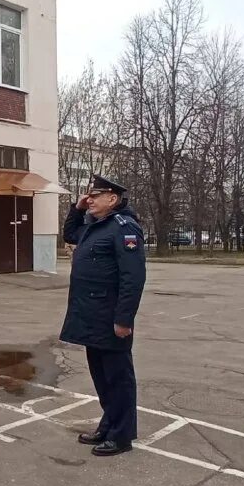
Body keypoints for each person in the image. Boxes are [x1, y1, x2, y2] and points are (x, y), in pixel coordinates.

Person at [60, 175, 146, 457]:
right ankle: (108, 424)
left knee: (119, 378)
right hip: (91, 317)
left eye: (95, 196)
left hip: (110, 319)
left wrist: (124, 320)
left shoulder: (124, 228)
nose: (90, 199)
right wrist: (77, 207)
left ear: (113, 199)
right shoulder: (96, 226)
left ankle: (121, 436)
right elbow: (70, 234)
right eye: (89, 196)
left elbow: (133, 278)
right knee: (102, 377)